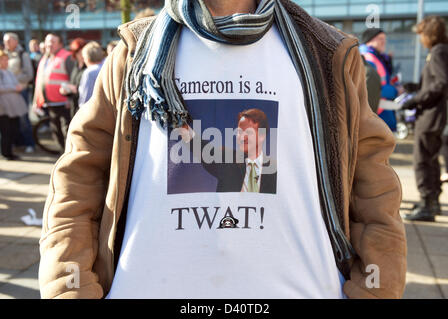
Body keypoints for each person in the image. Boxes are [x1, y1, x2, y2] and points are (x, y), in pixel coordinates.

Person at [39, 0, 406, 299]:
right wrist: (69, 287)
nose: (243, 140)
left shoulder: (328, 54)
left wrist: (376, 288)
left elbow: (373, 194)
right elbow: (79, 178)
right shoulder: (135, 53)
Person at [402, 16, 448, 222]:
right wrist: (416, 88)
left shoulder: (438, 52)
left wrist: (416, 100)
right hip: (435, 116)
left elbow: (441, 83)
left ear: (429, 33)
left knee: (421, 161)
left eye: (422, 34)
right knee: (430, 160)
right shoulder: (442, 51)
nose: (420, 39)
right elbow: (436, 81)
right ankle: (432, 203)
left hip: (430, 117)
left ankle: (427, 205)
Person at [180, 108, 277, 193]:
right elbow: (200, 148)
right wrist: (180, 125)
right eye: (239, 132)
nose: (242, 137)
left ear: (262, 135)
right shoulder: (227, 159)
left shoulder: (275, 170)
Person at [33, 33, 74, 151]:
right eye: (47, 41)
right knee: (55, 131)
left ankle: (69, 155)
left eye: (52, 42)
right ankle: (62, 153)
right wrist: (36, 101)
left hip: (64, 103)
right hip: (50, 103)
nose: (49, 44)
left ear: (60, 44)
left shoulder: (67, 57)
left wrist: (70, 99)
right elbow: (39, 81)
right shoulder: (45, 58)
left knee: (67, 130)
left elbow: (73, 79)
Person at [359, 28, 399, 131]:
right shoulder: (368, 58)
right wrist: (395, 91)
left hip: (380, 111)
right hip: (377, 113)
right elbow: (370, 87)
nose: (384, 41)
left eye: (384, 39)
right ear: (370, 40)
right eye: (380, 38)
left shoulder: (376, 57)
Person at [3, 32, 36, 153]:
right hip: (8, 93)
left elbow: (29, 74)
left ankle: (30, 143)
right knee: (11, 119)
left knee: (23, 118)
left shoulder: (23, 55)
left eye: (8, 40)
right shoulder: (5, 54)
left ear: (16, 41)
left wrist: (12, 82)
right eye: (5, 40)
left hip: (20, 90)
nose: (6, 43)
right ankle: (18, 142)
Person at [0, 50, 29, 160]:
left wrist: (17, 87)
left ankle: (9, 150)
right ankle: (6, 152)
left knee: (13, 129)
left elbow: (16, 83)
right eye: (3, 60)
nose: (6, 62)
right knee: (6, 131)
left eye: (7, 60)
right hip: (3, 107)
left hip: (13, 107)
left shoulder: (9, 72)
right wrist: (13, 88)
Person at [59, 37, 87, 118]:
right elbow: (72, 83)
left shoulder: (88, 67)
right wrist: (66, 91)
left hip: (83, 106)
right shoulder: (75, 66)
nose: (81, 55)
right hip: (74, 105)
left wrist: (75, 88)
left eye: (82, 52)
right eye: (78, 52)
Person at [77, 41, 105, 107]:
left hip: (94, 109)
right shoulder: (106, 67)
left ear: (87, 58)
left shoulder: (89, 72)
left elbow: (86, 96)